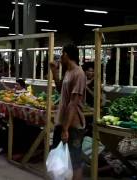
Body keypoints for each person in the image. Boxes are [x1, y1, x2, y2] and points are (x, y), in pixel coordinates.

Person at [50, 44, 86, 180]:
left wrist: (66, 129)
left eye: (61, 53)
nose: (60, 57)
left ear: (66, 55)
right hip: (62, 120)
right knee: (59, 155)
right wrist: (54, 72)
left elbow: (73, 103)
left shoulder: (79, 73)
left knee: (74, 161)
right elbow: (61, 91)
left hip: (74, 124)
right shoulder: (68, 72)